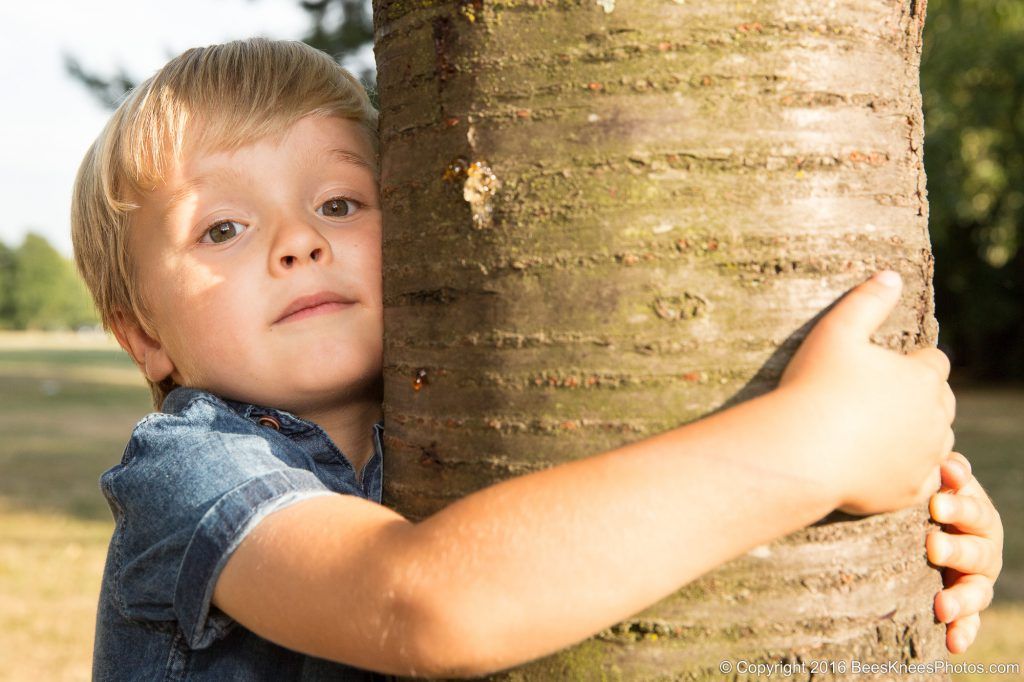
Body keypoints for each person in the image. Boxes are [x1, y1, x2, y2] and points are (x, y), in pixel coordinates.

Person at [71, 38, 1003, 680]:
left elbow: (593, 534)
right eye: (223, 227)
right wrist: (812, 451)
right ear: (143, 333)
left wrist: (917, 539)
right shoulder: (188, 471)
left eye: (341, 204)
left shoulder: (469, 412)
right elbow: (424, 602)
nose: (297, 241)